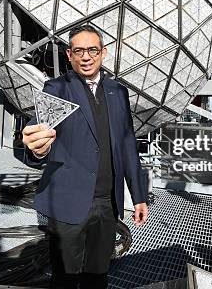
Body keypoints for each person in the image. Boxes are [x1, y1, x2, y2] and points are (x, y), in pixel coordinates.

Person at [22, 25, 149, 289]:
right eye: (78, 50)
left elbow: (127, 143)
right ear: (69, 55)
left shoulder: (118, 91)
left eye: (92, 50)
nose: (86, 56)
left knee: (98, 275)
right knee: (65, 279)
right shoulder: (57, 88)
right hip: (69, 203)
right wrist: (37, 147)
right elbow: (41, 126)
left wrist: (138, 196)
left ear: (103, 53)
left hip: (107, 203)